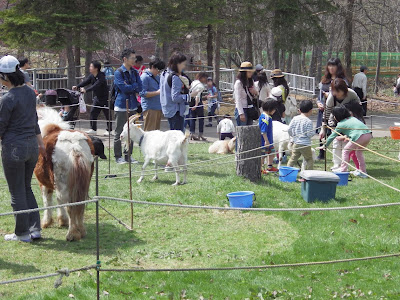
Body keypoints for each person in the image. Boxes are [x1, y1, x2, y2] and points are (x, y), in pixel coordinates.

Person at [0, 55, 46, 242]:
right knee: (26, 188)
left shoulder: (7, 98)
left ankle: (22, 234)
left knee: (16, 191)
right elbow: (34, 121)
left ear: (5, 76)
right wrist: (41, 143)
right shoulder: (29, 92)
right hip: (32, 147)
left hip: (14, 149)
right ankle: (35, 229)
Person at [320, 78, 360, 170]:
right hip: (335, 121)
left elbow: (359, 106)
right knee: (336, 141)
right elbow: (326, 113)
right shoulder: (331, 97)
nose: (337, 94)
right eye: (335, 91)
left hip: (349, 121)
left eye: (339, 91)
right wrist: (323, 128)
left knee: (346, 142)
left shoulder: (352, 94)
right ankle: (336, 163)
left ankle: (344, 164)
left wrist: (349, 110)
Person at [322, 106, 372, 178]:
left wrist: (325, 145)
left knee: (345, 151)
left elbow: (332, 136)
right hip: (368, 135)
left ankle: (343, 170)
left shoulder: (341, 124)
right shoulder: (353, 118)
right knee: (358, 152)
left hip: (359, 136)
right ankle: (363, 171)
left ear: (336, 117)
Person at [113, 48, 142, 164]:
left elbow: (140, 87)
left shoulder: (135, 72)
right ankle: (118, 156)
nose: (134, 60)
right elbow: (123, 88)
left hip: (133, 105)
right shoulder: (118, 72)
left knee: (131, 132)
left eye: (135, 58)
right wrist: (133, 86)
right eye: (132, 58)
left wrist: (132, 86)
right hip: (121, 105)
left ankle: (128, 156)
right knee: (119, 131)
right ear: (125, 59)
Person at [316, 58, 348, 160]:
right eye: (329, 66)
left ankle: (342, 155)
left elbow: (344, 94)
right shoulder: (324, 80)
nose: (331, 68)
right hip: (324, 110)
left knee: (338, 133)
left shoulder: (343, 80)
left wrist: (330, 95)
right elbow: (319, 95)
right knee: (322, 131)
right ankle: (321, 153)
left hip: (337, 111)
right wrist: (318, 102)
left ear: (338, 67)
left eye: (333, 66)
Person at [73, 61, 111, 136]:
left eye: (91, 67)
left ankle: (109, 130)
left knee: (107, 114)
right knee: (93, 112)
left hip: (105, 98)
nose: (89, 68)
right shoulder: (92, 76)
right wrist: (77, 86)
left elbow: (96, 86)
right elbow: (86, 82)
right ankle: (93, 129)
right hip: (97, 98)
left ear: (96, 68)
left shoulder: (101, 76)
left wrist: (86, 90)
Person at [160, 52, 191, 131]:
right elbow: (175, 97)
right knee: (178, 138)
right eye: (183, 64)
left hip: (168, 109)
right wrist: (189, 96)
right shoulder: (175, 77)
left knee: (173, 136)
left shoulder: (164, 73)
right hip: (175, 111)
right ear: (177, 64)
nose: (184, 66)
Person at [287, 100, 315, 170]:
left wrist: (293, 136)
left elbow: (289, 129)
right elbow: (309, 134)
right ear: (310, 110)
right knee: (309, 159)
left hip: (296, 143)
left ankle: (286, 172)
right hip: (305, 144)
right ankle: (309, 174)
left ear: (300, 110)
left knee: (293, 159)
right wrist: (313, 132)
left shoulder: (295, 118)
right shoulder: (308, 121)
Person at [139, 57, 165, 131]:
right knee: (149, 132)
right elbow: (142, 93)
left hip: (158, 107)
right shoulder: (144, 77)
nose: (159, 72)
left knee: (156, 133)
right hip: (150, 108)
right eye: (158, 70)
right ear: (153, 67)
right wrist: (157, 92)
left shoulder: (157, 77)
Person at [234, 62, 259, 126]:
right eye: (249, 72)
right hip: (242, 108)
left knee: (249, 130)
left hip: (250, 108)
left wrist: (255, 93)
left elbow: (255, 95)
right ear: (244, 72)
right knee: (242, 131)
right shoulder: (238, 83)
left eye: (251, 72)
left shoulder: (251, 81)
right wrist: (241, 113)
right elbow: (238, 99)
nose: (251, 73)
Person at [344, 100, 366, 170]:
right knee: (351, 153)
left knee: (354, 154)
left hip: (358, 139)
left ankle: (359, 169)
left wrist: (347, 137)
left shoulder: (357, 120)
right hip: (359, 138)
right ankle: (358, 168)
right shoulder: (357, 119)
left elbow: (355, 131)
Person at [259, 99, 278, 173]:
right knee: (262, 155)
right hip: (265, 141)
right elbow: (263, 131)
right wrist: (266, 141)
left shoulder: (267, 116)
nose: (275, 111)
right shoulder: (265, 117)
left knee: (271, 153)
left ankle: (270, 166)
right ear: (270, 109)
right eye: (274, 109)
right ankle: (259, 169)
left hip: (269, 140)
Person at [189, 72, 208, 140]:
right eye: (205, 78)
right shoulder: (201, 86)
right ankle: (200, 134)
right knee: (201, 118)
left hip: (190, 101)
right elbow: (197, 96)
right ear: (202, 77)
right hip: (197, 102)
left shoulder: (194, 82)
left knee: (192, 118)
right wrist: (196, 105)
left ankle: (192, 133)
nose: (205, 79)